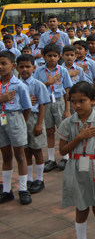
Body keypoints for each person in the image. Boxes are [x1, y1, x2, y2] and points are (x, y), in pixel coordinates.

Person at [58, 82, 95, 239]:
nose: (77, 105)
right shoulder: (68, 123)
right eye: (73, 102)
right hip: (76, 168)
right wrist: (79, 137)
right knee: (81, 209)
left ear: (93, 100)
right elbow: (63, 150)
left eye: (82, 100)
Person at [34, 44, 74, 172]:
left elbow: (67, 91)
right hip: (45, 103)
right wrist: (47, 83)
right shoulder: (39, 71)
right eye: (49, 56)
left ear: (59, 57)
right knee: (49, 131)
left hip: (59, 102)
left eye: (55, 56)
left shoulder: (62, 71)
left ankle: (66, 157)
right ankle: (51, 159)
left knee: (62, 130)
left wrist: (67, 109)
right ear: (44, 56)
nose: (52, 58)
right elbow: (36, 89)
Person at [0, 51, 33, 205]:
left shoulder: (19, 85)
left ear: (13, 66)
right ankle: (7, 190)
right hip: (1, 120)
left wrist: (22, 123)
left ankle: (23, 189)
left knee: (20, 156)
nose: (1, 67)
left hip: (15, 117)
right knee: (6, 156)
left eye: (4, 63)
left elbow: (27, 107)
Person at [17, 54, 50, 194]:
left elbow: (42, 104)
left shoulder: (38, 84)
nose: (25, 69)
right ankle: (29, 179)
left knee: (37, 149)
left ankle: (40, 179)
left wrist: (39, 124)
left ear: (34, 67)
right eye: (21, 67)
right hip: (20, 119)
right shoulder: (16, 84)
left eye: (28, 66)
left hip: (34, 118)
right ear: (16, 68)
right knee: (26, 150)